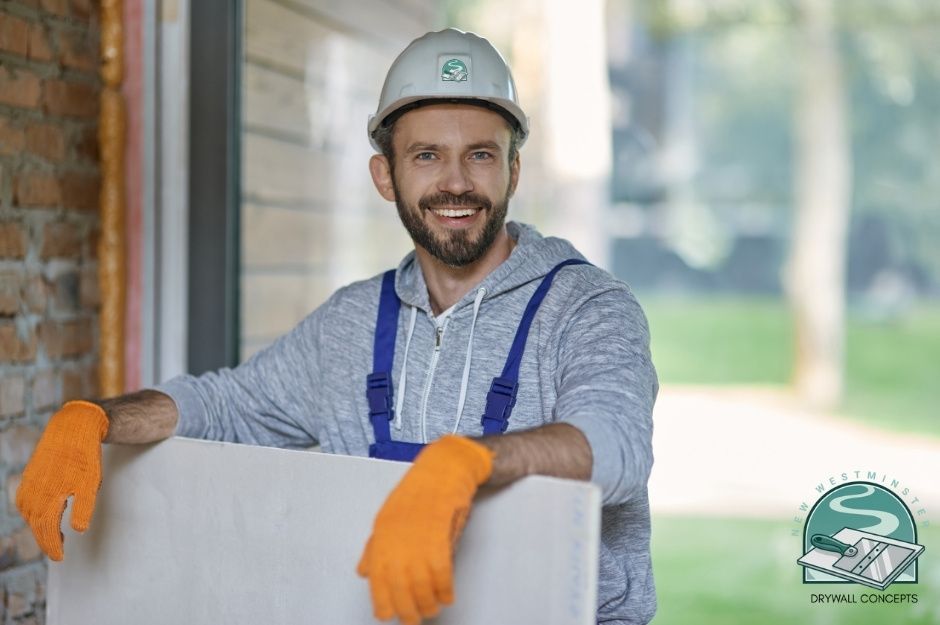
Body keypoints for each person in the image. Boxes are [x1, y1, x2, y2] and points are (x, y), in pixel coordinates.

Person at [16, 28, 658, 625]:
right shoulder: (352, 323)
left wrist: (472, 463)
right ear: (387, 176)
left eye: (481, 155)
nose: (456, 182)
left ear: (514, 171)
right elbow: (228, 406)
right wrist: (99, 418)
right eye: (427, 155)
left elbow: (618, 445)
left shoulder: (587, 307)